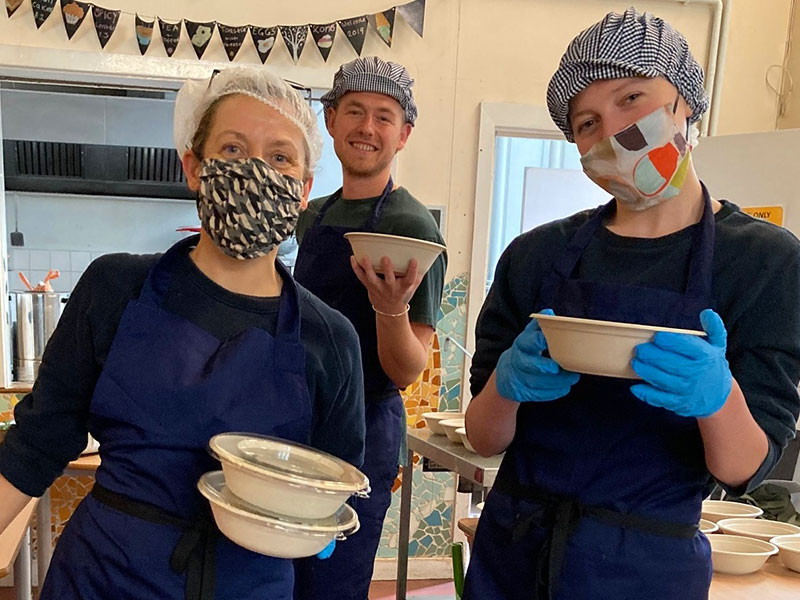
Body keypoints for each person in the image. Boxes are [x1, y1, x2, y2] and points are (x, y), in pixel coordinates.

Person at [463, 8, 800, 599]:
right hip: (515, 549)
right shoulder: (536, 255)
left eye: (632, 99)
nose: (613, 133)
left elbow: (744, 468)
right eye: (587, 122)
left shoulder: (765, 263)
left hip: (647, 565)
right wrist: (507, 384)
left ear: (685, 104)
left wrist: (719, 397)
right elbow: (484, 437)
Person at [0, 67, 366, 600]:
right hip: (104, 578)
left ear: (304, 189)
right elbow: (36, 446)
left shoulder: (329, 339)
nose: (256, 172)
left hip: (251, 587)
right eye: (234, 149)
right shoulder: (115, 288)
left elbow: (330, 494)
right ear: (194, 167)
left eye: (280, 157)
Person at [292, 56, 447, 600]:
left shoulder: (411, 228)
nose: (367, 127)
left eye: (384, 116)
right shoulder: (312, 217)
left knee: (333, 584)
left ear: (403, 135)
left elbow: (406, 370)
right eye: (355, 111)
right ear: (331, 120)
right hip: (297, 417)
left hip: (361, 429)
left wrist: (390, 309)